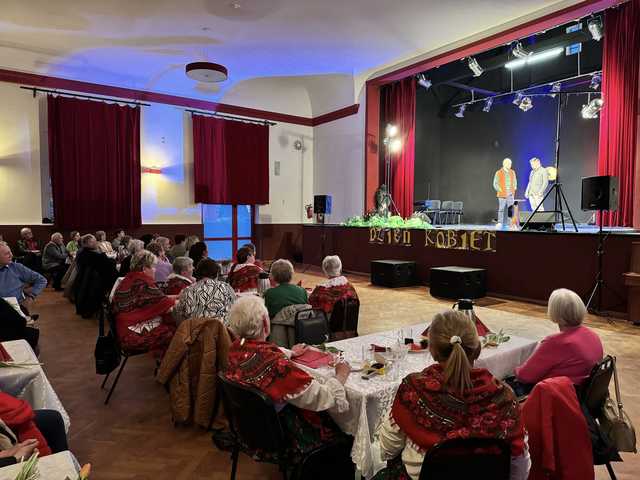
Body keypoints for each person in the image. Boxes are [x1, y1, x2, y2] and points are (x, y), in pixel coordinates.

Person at [371, 310, 530, 480]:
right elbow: (519, 469)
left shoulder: (414, 390)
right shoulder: (504, 398)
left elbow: (387, 448)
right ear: (477, 349)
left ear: (433, 351)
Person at [223, 296, 350, 462]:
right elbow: (323, 398)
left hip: (249, 429)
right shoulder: (278, 367)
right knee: (345, 428)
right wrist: (341, 374)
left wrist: (290, 352)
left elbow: (260, 355)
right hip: (282, 435)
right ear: (265, 323)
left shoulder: (236, 351)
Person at [514, 288, 603, 387]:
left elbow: (524, 376)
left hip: (558, 395)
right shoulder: (592, 335)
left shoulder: (556, 342)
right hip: (585, 393)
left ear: (554, 311)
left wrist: (512, 368)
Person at [111, 250, 176, 359]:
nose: (155, 270)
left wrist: (177, 296)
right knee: (177, 332)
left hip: (123, 329)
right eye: (153, 266)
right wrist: (182, 298)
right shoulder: (143, 282)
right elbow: (166, 305)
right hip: (131, 336)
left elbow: (159, 299)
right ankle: (169, 369)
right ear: (144, 268)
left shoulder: (130, 278)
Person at [175, 259, 235, 325]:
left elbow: (179, 315)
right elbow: (233, 309)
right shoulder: (226, 287)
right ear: (216, 273)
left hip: (195, 332)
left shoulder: (187, 291)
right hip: (222, 332)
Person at [73, 234, 118, 318]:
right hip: (94, 284)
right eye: (94, 241)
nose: (97, 243)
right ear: (89, 243)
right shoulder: (94, 255)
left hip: (83, 282)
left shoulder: (82, 252)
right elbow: (109, 264)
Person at [0, 241, 46, 311]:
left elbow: (42, 280)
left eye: (10, 252)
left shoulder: (16, 267)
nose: (11, 255)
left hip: (15, 310)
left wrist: (31, 296)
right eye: (7, 254)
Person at [493, 157, 517, 229]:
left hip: (510, 193)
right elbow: (495, 183)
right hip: (502, 194)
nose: (510, 165)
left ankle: (511, 223)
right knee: (501, 209)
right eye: (509, 163)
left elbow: (515, 181)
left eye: (510, 163)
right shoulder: (498, 172)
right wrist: (500, 190)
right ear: (504, 164)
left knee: (510, 209)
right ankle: (500, 222)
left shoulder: (512, 172)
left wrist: (514, 187)